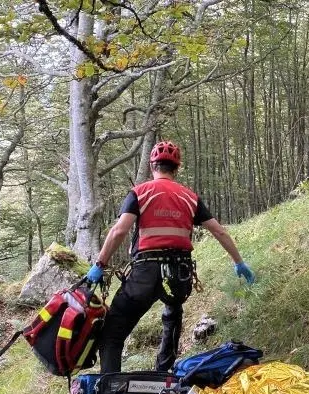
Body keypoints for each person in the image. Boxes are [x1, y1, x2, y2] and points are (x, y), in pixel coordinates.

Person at [86, 140, 255, 373]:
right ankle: (163, 375)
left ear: (151, 166)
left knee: (112, 336)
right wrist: (239, 262)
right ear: (176, 169)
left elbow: (120, 230)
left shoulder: (139, 193)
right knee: (173, 312)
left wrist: (99, 264)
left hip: (145, 274)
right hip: (179, 275)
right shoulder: (190, 197)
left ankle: (110, 388)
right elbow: (219, 231)